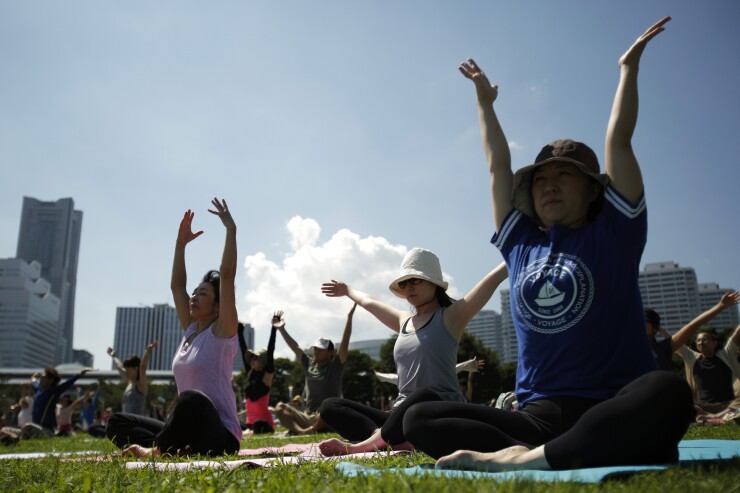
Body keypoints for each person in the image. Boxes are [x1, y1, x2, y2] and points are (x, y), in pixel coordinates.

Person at [403, 17, 695, 472]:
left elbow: (619, 139)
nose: (549, 185)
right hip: (538, 415)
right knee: (420, 416)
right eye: (541, 178)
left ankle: (525, 462)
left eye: (564, 175)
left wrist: (627, 70)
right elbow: (499, 167)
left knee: (669, 392)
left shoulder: (615, 232)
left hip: (614, 399)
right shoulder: (520, 242)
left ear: (594, 189)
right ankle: (562, 449)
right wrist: (485, 103)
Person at [317, 249, 508, 456]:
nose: (408, 287)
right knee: (330, 406)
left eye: (415, 280)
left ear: (434, 283)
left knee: (423, 395)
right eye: (403, 283)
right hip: (398, 415)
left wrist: (527, 245)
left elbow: (494, 278)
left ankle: (362, 446)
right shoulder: (403, 320)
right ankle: (387, 438)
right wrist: (347, 289)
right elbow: (369, 302)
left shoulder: (451, 317)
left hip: (436, 411)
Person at [106, 198, 241, 457]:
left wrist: (230, 230)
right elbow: (177, 286)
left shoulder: (223, 332)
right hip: (189, 428)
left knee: (191, 399)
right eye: (195, 292)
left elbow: (226, 275)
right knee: (117, 422)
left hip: (220, 436)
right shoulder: (190, 331)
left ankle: (155, 452)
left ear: (216, 306)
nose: (193, 297)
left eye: (202, 294)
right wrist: (180, 245)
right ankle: (173, 447)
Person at [274, 305, 354, 435]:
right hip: (307, 416)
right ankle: (303, 431)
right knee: (279, 408)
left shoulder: (335, 366)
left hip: (325, 415)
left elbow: (345, 342)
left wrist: (349, 319)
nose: (316, 351)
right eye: (315, 348)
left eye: (321, 349)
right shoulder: (309, 363)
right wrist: (282, 329)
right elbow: (296, 347)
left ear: (330, 352)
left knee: (328, 411)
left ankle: (310, 429)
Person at [646, 291, 739, 371]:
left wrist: (720, 306)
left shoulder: (664, 348)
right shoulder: (631, 347)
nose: (638, 325)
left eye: (644, 321)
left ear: (655, 328)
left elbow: (693, 325)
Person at [676, 326, 740, 421]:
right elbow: (675, 343)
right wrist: (658, 328)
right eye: (698, 340)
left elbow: (736, 335)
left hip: (727, 405)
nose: (701, 342)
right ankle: (715, 417)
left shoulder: (726, 354)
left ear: (715, 343)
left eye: (705, 339)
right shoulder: (692, 357)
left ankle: (717, 417)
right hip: (702, 407)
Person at [20, 367, 94, 439]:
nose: (41, 380)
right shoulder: (38, 390)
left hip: (46, 430)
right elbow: (33, 380)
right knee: (14, 430)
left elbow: (68, 383)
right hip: (35, 427)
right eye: (41, 378)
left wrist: (81, 374)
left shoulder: (54, 391)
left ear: (51, 380)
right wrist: (35, 375)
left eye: (43, 377)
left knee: (27, 426)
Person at [237, 313, 279, 435]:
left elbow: (270, 350)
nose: (252, 361)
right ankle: (248, 431)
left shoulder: (267, 375)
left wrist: (273, 328)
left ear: (262, 361)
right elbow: (243, 349)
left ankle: (251, 431)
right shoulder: (251, 373)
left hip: (264, 423)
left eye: (255, 358)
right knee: (235, 425)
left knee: (258, 425)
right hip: (250, 423)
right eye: (252, 359)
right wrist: (240, 331)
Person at [107, 340, 158, 415]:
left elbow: (142, 367)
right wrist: (113, 356)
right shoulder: (129, 382)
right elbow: (119, 366)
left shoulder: (140, 386)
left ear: (136, 368)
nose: (126, 371)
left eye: (128, 369)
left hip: (136, 425)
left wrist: (148, 351)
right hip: (126, 424)